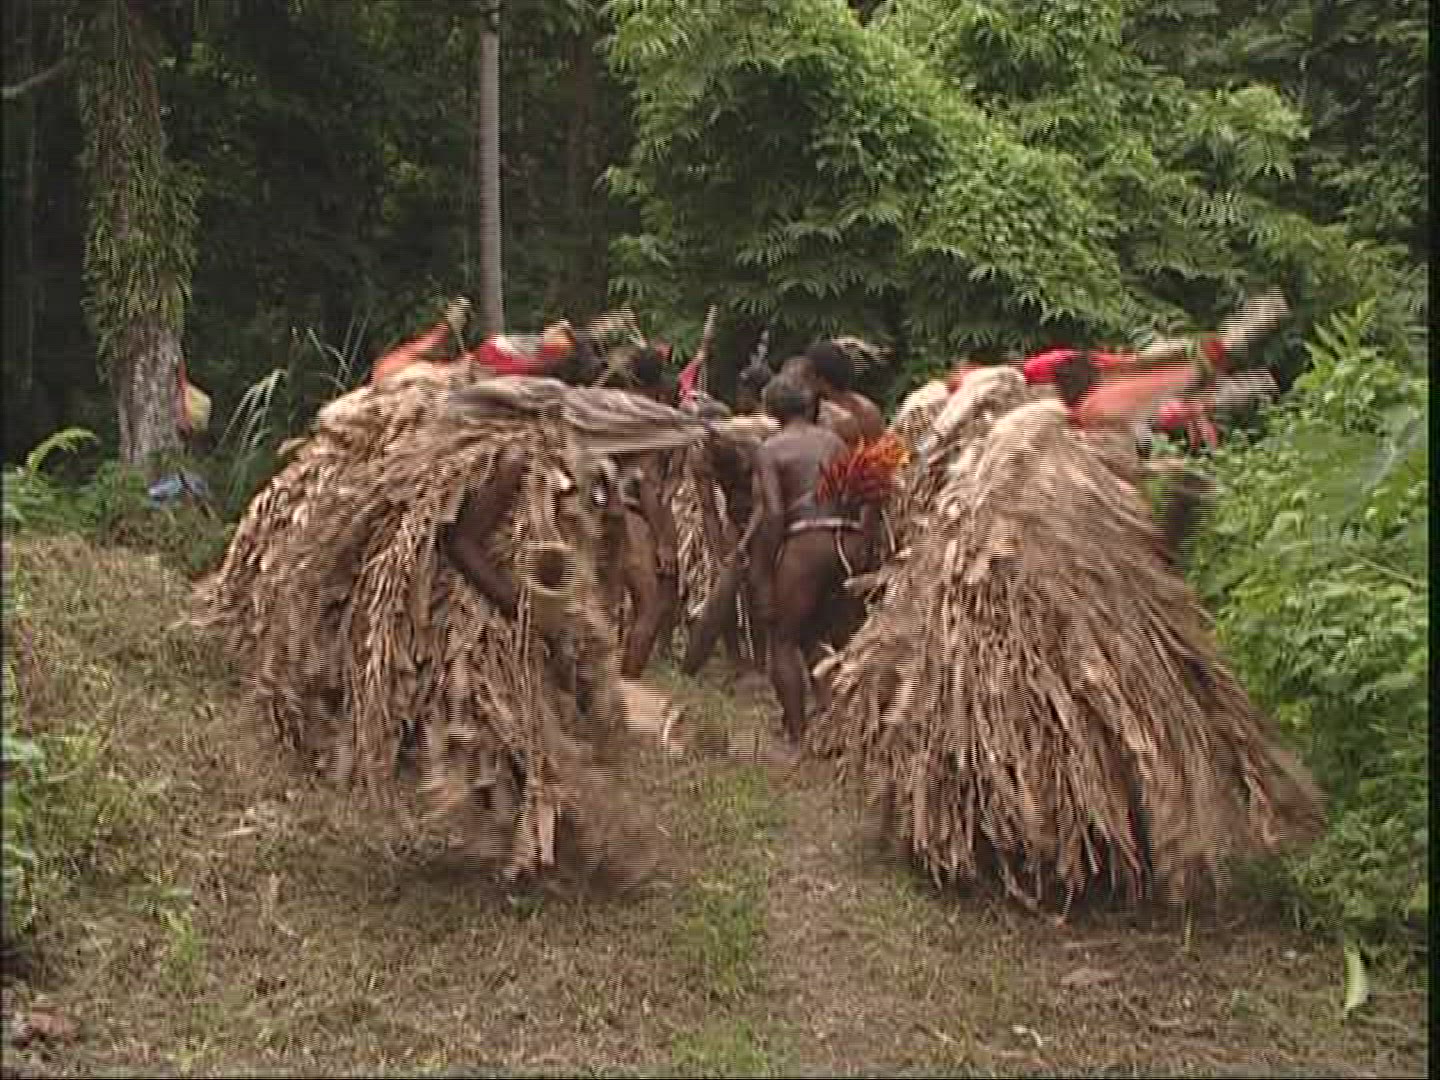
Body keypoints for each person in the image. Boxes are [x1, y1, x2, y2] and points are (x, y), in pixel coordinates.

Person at [751, 376, 879, 747]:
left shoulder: (771, 449)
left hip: (806, 541)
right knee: (831, 639)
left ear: (772, 411)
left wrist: (763, 569)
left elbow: (774, 514)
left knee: (784, 639)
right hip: (847, 542)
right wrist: (864, 542)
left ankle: (798, 735)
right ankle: (844, 731)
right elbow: (867, 493)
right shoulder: (836, 441)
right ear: (809, 407)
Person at [614, 346, 682, 677]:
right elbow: (647, 483)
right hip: (626, 513)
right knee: (650, 606)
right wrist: (663, 541)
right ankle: (627, 690)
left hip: (585, 510)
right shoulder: (647, 418)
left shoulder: (605, 406)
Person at [798, 340, 886, 447]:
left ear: (819, 379)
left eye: (806, 374)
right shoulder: (809, 406)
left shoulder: (864, 412)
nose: (802, 379)